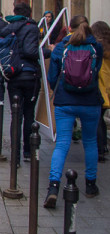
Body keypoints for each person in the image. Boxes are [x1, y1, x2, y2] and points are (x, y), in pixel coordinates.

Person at [44, 16, 104, 208]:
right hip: (90, 101)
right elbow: (97, 70)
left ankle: (53, 187)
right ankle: (90, 184)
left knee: (62, 144)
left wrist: (58, 89)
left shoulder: (61, 47)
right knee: (90, 142)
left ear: (69, 27)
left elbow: (52, 76)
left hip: (65, 101)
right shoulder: (96, 47)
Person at [0, 3, 45, 163]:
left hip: (13, 74)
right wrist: (45, 51)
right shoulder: (32, 27)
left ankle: (15, 156)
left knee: (15, 115)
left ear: (15, 13)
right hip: (29, 75)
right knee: (28, 114)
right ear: (29, 14)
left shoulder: (10, 27)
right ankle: (27, 152)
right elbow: (31, 51)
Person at [91, 21, 110, 162]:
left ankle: (100, 148)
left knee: (97, 119)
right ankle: (103, 146)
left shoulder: (96, 47)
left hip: (99, 86)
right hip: (108, 87)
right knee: (101, 118)